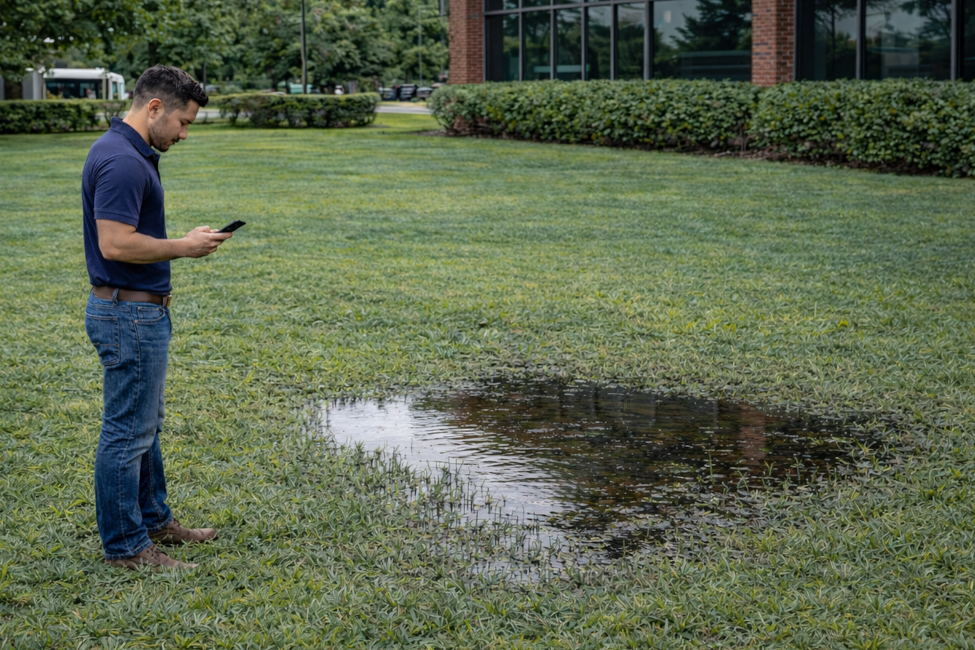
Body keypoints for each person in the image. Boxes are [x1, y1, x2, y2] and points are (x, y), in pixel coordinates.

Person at [82, 65, 233, 570]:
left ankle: (153, 520)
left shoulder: (126, 151)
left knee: (143, 427)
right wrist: (185, 248)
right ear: (153, 108)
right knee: (127, 432)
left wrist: (183, 241)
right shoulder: (122, 160)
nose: (185, 134)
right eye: (184, 122)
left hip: (135, 310)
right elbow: (115, 242)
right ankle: (126, 546)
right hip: (128, 313)